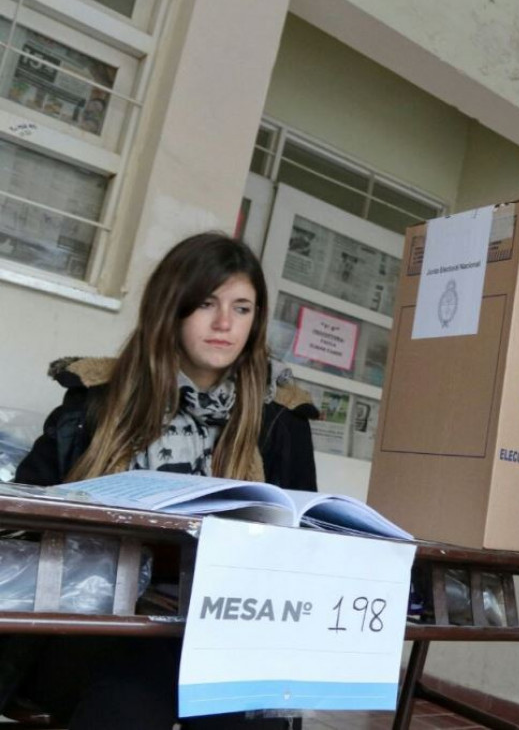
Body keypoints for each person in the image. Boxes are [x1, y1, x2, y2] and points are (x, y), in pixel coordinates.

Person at [10, 232, 318, 729]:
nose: (224, 324)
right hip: (105, 627)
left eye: (242, 308)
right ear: (169, 309)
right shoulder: (96, 402)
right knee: (126, 702)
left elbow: (303, 541)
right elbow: (27, 510)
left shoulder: (280, 420)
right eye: (205, 304)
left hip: (223, 633)